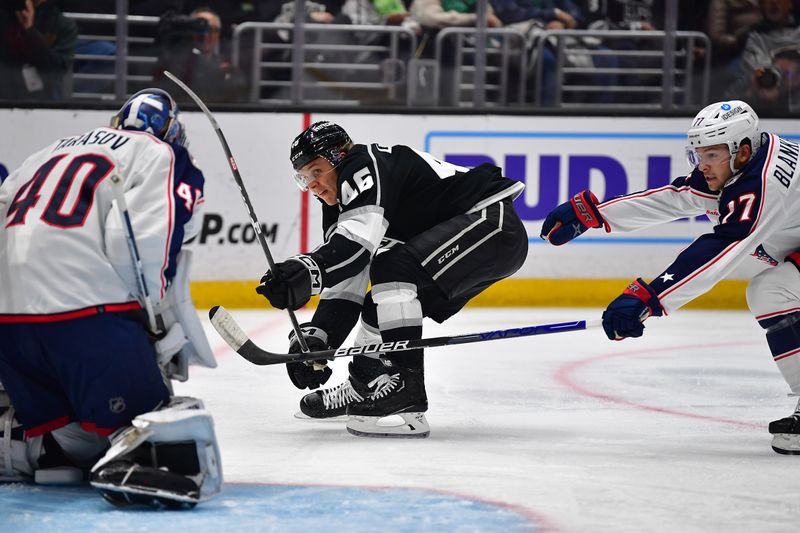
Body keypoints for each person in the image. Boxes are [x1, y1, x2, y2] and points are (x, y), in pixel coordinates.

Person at [540, 100, 800, 455]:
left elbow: (721, 249)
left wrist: (649, 298)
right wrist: (597, 214)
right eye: (699, 155)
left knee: (773, 290)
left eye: (711, 156)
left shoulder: (763, 184)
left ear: (741, 150)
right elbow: (678, 198)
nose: (703, 166)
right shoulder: (744, 161)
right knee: (774, 288)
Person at [0, 89, 222, 505]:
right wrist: (151, 323)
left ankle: (42, 450)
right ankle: (134, 454)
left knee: (69, 430)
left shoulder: (42, 154)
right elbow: (137, 242)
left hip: (8, 328)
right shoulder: (162, 154)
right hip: (85, 319)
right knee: (160, 422)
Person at [256, 121, 528, 438]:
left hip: (491, 225)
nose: (312, 185)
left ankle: (407, 391)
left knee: (392, 267)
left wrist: (303, 271)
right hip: (481, 236)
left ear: (340, 156)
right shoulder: (337, 201)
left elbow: (354, 249)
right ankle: (366, 383)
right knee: (382, 305)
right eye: (304, 178)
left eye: (316, 171)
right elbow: (349, 275)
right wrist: (319, 339)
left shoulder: (361, 164)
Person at [0, 0, 78, 101]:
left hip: (39, 101)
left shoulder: (62, 25)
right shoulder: (4, 18)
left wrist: (30, 31)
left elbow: (57, 69)